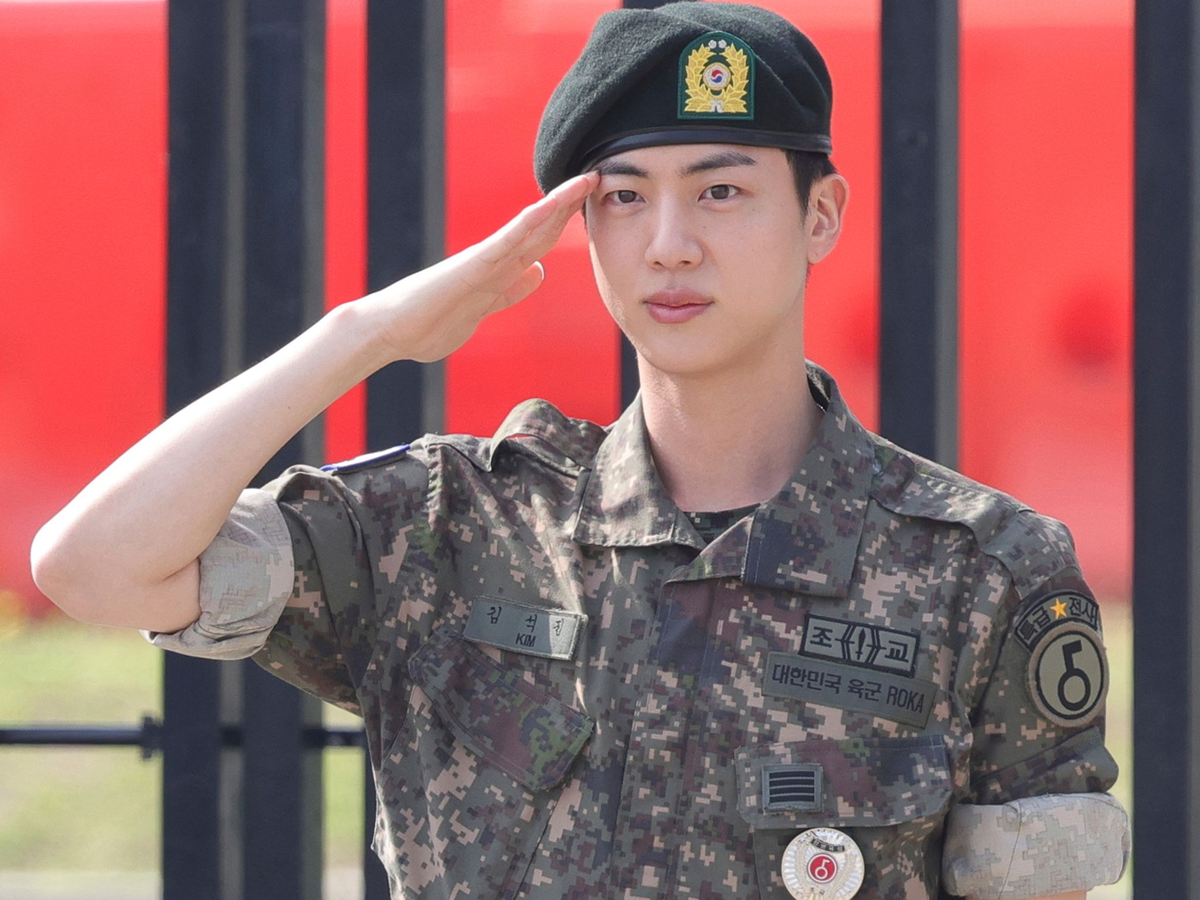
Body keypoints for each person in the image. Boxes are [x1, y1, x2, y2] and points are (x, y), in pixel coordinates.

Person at [32, 3, 1129, 898]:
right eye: (625, 199)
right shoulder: (449, 528)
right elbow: (92, 567)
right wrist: (364, 333)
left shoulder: (981, 571)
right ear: (583, 230)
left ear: (821, 215)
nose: (670, 245)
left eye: (722, 191)